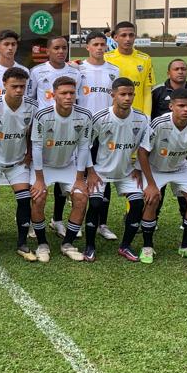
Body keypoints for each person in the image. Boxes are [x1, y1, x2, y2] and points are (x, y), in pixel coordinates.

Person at [84, 77, 154, 263]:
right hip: (100, 171)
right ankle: (90, 246)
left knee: (138, 204)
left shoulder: (141, 119)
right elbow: (85, 145)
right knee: (96, 205)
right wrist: (90, 171)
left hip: (126, 171)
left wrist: (138, 168)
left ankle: (125, 246)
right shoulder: (99, 118)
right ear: (112, 95)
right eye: (123, 94)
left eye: (131, 94)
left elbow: (144, 147)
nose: (127, 98)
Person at [140, 89, 187, 263]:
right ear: (171, 106)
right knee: (153, 199)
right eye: (181, 106)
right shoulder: (159, 123)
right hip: (155, 168)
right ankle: (147, 247)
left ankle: (186, 246)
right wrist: (150, 184)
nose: (186, 109)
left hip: (180, 167)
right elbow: (142, 152)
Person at [29, 76, 92, 263]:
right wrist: (39, 180)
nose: (68, 97)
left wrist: (80, 178)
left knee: (81, 197)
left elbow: (83, 148)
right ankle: (42, 244)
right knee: (38, 197)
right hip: (44, 167)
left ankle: (68, 244)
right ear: (53, 95)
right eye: (64, 93)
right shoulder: (42, 115)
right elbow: (37, 148)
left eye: (72, 93)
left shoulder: (85, 116)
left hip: (67, 166)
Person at [0, 67, 36, 262]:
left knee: (24, 200)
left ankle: (22, 243)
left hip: (17, 162)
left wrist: (28, 155)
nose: (19, 90)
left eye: (22, 86)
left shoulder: (32, 106)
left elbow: (33, 135)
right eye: (14, 86)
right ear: (4, 84)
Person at [69, 31, 119, 240]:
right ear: (87, 47)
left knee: (103, 176)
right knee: (76, 176)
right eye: (95, 44)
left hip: (105, 131)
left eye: (102, 44)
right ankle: (71, 220)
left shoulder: (114, 70)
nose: (99, 48)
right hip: (81, 130)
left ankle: (102, 223)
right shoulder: (78, 68)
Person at [104, 21, 154, 116]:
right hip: (112, 116)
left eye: (131, 35)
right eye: (123, 35)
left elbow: (147, 92)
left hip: (137, 115)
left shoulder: (145, 59)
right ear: (115, 38)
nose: (128, 39)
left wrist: (147, 116)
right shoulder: (106, 58)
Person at [0, 29, 32, 100]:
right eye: (6, 44)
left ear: (16, 47)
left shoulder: (24, 70)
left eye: (13, 44)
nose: (10, 48)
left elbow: (26, 97)